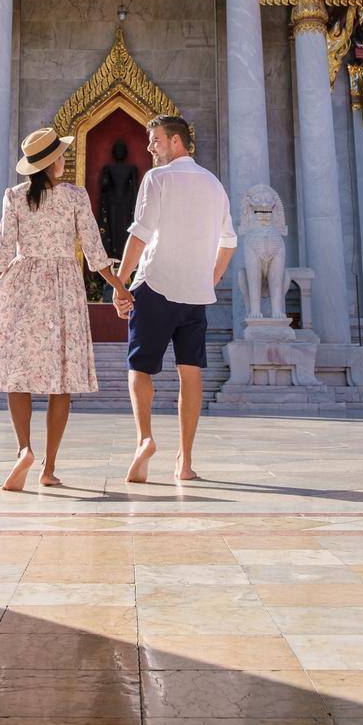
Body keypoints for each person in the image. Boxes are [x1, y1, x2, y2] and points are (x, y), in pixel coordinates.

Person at [0, 126, 132, 492]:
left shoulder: (14, 197)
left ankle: (23, 449)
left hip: (24, 284)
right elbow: (94, 253)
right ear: (50, 163)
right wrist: (121, 288)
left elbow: (0, 256)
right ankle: (49, 468)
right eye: (59, 155)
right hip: (63, 287)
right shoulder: (74, 197)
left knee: (19, 374)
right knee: (61, 382)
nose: (63, 159)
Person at [112, 114, 237, 483]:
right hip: (194, 296)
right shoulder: (214, 185)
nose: (149, 147)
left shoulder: (158, 178)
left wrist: (120, 282)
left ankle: (145, 439)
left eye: (155, 140)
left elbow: (140, 234)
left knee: (139, 368)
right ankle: (185, 462)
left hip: (156, 287)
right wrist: (208, 279)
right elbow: (228, 242)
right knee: (191, 371)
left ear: (177, 142)